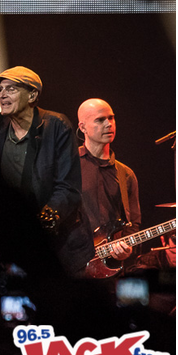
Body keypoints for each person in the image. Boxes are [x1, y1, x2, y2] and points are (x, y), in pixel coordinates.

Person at [0, 66, 93, 277]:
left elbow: (68, 189)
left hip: (61, 247)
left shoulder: (57, 126)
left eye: (11, 89)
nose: (2, 95)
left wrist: (38, 227)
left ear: (32, 95)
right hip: (17, 246)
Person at [77, 98, 140, 264]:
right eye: (100, 120)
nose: (108, 124)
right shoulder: (67, 165)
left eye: (111, 118)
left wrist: (127, 250)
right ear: (82, 127)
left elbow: (133, 224)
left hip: (109, 267)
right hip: (72, 265)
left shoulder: (126, 174)